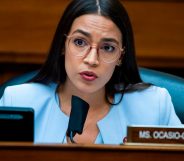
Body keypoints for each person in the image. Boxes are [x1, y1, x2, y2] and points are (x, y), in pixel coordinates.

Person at [0, 0, 182, 144]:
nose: (92, 60)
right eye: (80, 42)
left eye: (108, 48)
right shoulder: (17, 101)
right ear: (63, 45)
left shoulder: (154, 106)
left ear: (121, 56)